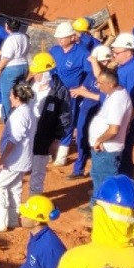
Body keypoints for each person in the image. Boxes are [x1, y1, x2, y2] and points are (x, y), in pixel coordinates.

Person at [0, 80, 37, 232]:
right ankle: (13, 219)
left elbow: (14, 139)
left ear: (16, 97)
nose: (9, 98)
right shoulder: (28, 110)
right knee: (15, 187)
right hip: (23, 159)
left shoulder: (20, 115)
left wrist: (2, 159)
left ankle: (0, 222)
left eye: (10, 95)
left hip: (14, 160)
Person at [78, 67, 132, 207]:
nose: (97, 85)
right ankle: (96, 204)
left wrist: (99, 140)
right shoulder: (114, 94)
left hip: (107, 147)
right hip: (105, 147)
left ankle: (102, 208)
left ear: (110, 84)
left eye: (100, 83)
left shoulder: (117, 100)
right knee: (98, 176)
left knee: (105, 178)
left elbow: (114, 129)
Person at [27, 53, 72, 196]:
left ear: (47, 73)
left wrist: (57, 139)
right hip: (26, 134)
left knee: (38, 168)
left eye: (38, 72)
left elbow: (65, 117)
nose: (35, 75)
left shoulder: (60, 91)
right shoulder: (29, 85)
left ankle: (35, 197)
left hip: (44, 136)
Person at [108, 33, 134, 176]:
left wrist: (125, 123)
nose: (114, 56)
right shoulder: (125, 65)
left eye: (116, 53)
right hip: (118, 117)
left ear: (128, 52)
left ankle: (122, 185)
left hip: (127, 118)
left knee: (122, 153)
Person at [49, 22, 89, 167]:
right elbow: (49, 68)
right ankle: (50, 150)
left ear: (72, 37)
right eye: (58, 37)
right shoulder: (54, 50)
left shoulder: (83, 52)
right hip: (54, 92)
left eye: (63, 37)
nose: (60, 40)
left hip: (71, 94)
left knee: (67, 121)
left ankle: (62, 154)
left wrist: (82, 88)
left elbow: (90, 73)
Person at [70, 45, 112, 178]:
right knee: (81, 139)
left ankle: (97, 173)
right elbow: (84, 86)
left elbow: (103, 97)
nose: (105, 63)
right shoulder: (90, 74)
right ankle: (78, 170)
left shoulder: (110, 77)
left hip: (99, 114)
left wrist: (84, 93)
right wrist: (80, 90)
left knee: (97, 143)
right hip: (85, 111)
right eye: (102, 61)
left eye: (106, 61)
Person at [0, 17, 29, 121]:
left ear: (7, 27)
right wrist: (0, 52)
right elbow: (17, 51)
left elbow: (6, 58)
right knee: (19, 92)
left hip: (11, 69)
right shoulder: (24, 37)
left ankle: (6, 118)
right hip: (24, 67)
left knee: (6, 94)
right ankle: (19, 115)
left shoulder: (10, 39)